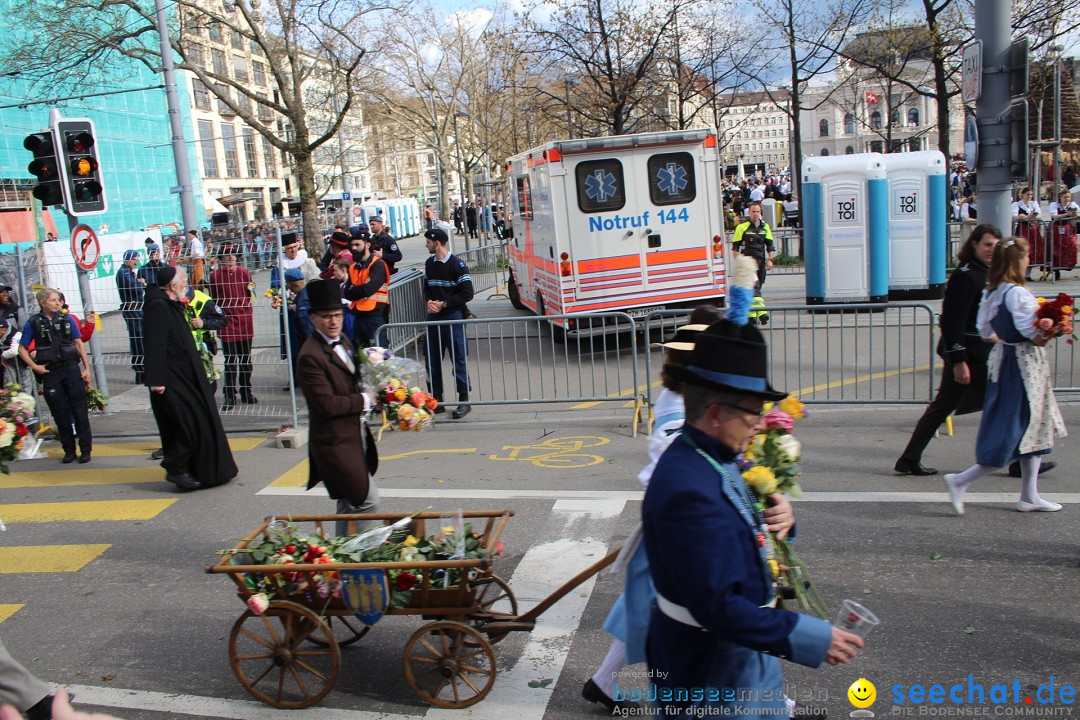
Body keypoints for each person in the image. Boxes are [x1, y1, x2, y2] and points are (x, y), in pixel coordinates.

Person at [643, 319, 863, 718]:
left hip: (736, 654)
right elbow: (719, 607)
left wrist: (780, 516)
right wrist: (811, 636)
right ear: (714, 413)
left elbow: (740, 523)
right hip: (708, 668)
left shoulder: (711, 454)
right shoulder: (688, 489)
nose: (761, 423)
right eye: (753, 412)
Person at [584, 308, 722, 713]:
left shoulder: (690, 396)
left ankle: (604, 680)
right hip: (680, 527)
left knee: (648, 604)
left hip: (676, 523)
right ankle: (775, 704)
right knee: (709, 613)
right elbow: (675, 466)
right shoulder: (678, 405)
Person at [944, 236, 1068, 515]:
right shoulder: (1017, 293)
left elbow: (986, 332)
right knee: (1017, 427)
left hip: (1007, 361)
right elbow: (1033, 335)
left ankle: (1029, 494)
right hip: (1022, 365)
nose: (1028, 261)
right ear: (1017, 261)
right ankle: (961, 480)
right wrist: (1053, 327)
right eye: (1026, 257)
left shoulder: (994, 292)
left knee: (1030, 427)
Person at [295, 279, 380, 537]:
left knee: (348, 502)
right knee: (367, 503)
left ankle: (341, 563)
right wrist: (366, 400)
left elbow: (350, 376)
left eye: (337, 315)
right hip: (335, 443)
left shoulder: (342, 339)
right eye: (326, 317)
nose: (333, 321)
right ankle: (364, 561)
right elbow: (326, 404)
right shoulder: (310, 356)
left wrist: (375, 365)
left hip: (354, 434)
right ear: (313, 318)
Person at [144, 266, 237, 491]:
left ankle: (202, 469)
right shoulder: (158, 306)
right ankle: (176, 468)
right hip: (172, 378)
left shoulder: (171, 303)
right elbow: (154, 345)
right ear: (173, 286)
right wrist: (157, 381)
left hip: (187, 375)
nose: (187, 284)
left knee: (199, 422)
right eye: (184, 281)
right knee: (186, 424)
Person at [18, 289, 93, 464]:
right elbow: (22, 349)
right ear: (43, 303)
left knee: (79, 410)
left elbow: (78, 343)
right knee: (59, 412)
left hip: (71, 368)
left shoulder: (66, 319)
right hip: (51, 372)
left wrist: (86, 369)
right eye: (52, 300)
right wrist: (35, 367)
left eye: (58, 300)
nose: (57, 303)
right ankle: (68, 450)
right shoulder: (34, 322)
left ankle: (85, 450)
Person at [423, 228, 473, 419]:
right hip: (434, 317)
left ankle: (464, 400)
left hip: (452, 317)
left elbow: (467, 293)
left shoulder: (457, 265)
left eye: (428, 242)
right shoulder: (429, 263)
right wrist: (429, 301)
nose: (425, 245)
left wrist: (444, 304)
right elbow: (427, 287)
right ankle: (437, 400)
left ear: (437, 243)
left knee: (458, 358)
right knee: (431, 358)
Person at [209, 244, 256, 411]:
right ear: (221, 258)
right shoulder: (215, 276)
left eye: (233, 255)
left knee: (245, 360)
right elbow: (214, 298)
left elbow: (251, 294)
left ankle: (246, 391)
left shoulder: (244, 273)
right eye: (226, 255)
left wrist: (246, 309)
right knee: (230, 361)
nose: (230, 258)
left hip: (244, 320)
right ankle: (229, 395)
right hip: (227, 321)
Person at [345, 231, 390, 348]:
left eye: (357, 245)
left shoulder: (377, 264)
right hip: (358, 315)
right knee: (360, 353)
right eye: (352, 245)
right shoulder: (353, 267)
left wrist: (354, 289)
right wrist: (359, 290)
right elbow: (347, 293)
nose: (354, 248)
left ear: (367, 245)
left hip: (374, 316)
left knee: (378, 354)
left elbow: (368, 290)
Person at [115, 249, 145, 383]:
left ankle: (142, 365)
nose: (136, 262)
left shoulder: (127, 272)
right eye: (134, 259)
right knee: (137, 338)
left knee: (141, 338)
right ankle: (140, 367)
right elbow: (135, 287)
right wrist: (141, 282)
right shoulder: (123, 273)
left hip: (137, 308)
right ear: (128, 259)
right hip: (132, 309)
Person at [731, 201, 776, 290]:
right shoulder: (742, 227)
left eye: (757, 212)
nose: (755, 214)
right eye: (753, 212)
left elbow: (770, 245)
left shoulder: (765, 226)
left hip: (761, 261)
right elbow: (735, 248)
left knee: (759, 285)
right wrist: (739, 262)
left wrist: (770, 260)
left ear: (760, 212)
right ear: (749, 212)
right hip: (748, 263)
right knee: (753, 287)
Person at [1011, 187, 1044, 279]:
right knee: (1023, 249)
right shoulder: (1017, 204)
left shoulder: (1033, 204)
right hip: (1023, 228)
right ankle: (1021, 273)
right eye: (1027, 194)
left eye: (1031, 194)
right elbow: (1014, 216)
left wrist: (1033, 216)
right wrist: (1023, 217)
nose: (1029, 196)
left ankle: (1028, 274)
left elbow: (1040, 214)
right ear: (1022, 195)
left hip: (1033, 229)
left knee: (1034, 250)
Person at [1048, 188, 1079, 280]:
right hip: (1056, 229)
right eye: (1065, 197)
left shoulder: (1072, 204)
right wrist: (1066, 214)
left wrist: (1075, 214)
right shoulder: (1054, 205)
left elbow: (1079, 212)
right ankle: (1056, 270)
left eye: (1068, 197)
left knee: (1071, 246)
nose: (1067, 199)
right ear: (1060, 198)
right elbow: (1054, 216)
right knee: (1056, 249)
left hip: (1068, 229)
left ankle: (1068, 265)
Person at [0, 287, 28, 387]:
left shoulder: (17, 310)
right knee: (9, 385)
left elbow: (24, 331)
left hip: (17, 353)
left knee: (24, 382)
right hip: (3, 355)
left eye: (6, 292)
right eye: (1, 292)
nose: (5, 294)